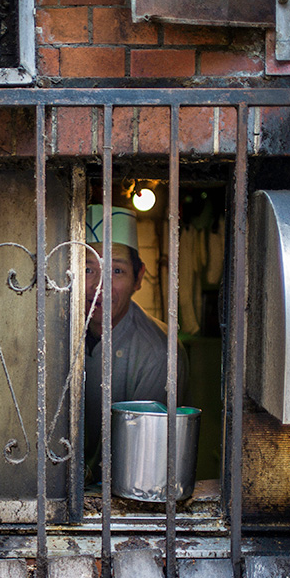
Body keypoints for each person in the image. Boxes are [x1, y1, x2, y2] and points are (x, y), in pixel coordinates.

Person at [84, 203, 188, 483]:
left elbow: (142, 457)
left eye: (116, 271)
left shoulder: (159, 352)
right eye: (88, 269)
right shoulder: (54, 336)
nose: (99, 286)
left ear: (139, 277)